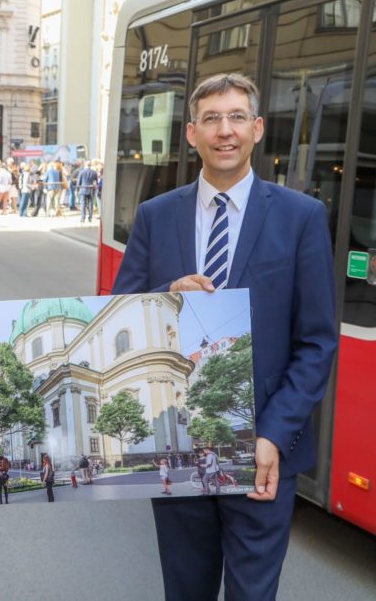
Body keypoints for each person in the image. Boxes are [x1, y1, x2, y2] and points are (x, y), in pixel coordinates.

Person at [111, 73, 338, 601]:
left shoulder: (302, 218)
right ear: (192, 134)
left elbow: (317, 343)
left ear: (257, 129)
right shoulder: (155, 216)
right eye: (211, 119)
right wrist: (167, 294)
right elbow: (124, 314)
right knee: (185, 590)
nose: (225, 130)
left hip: (262, 452)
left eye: (237, 117)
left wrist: (273, 435)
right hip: (178, 445)